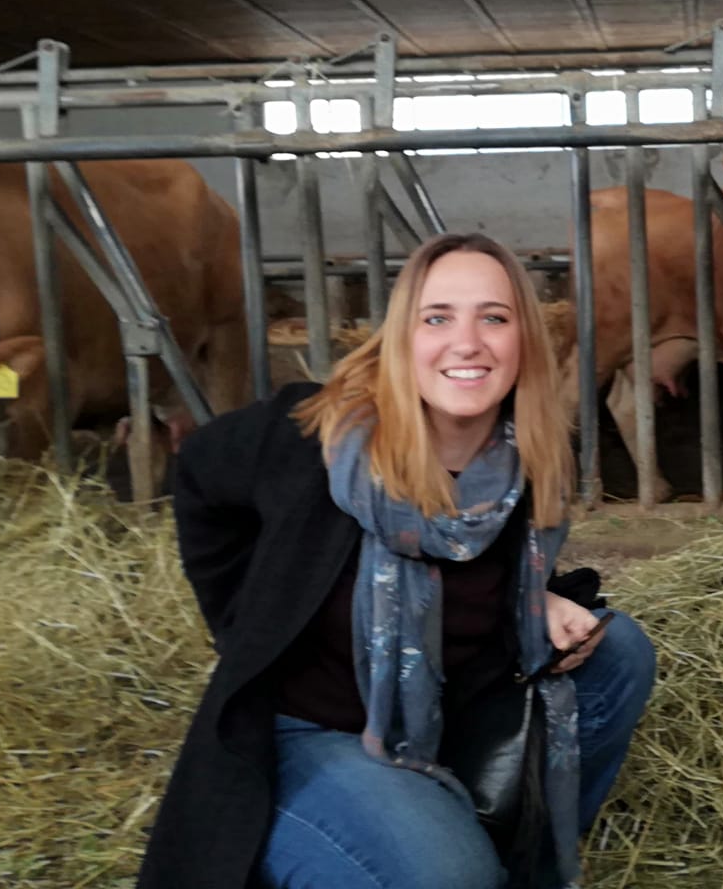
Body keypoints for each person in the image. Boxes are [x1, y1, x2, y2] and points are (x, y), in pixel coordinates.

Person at [137, 233, 656, 889]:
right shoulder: (313, 438)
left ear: (524, 339)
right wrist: (243, 626)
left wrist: (537, 597)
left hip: (442, 716)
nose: (466, 342)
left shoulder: (514, 463)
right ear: (400, 339)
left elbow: (468, 578)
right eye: (436, 318)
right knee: (448, 877)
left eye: (493, 318)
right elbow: (200, 478)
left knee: (620, 654)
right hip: (309, 735)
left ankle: (526, 860)